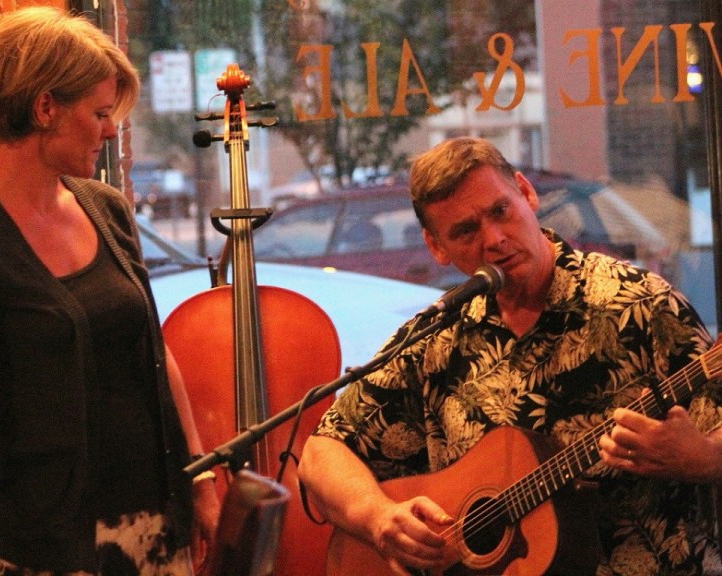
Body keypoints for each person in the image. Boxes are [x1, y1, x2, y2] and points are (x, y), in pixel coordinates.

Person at [298, 136, 722, 575]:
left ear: (526, 192)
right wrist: (378, 518)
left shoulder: (641, 304)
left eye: (500, 211)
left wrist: (704, 458)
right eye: (466, 231)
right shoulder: (437, 339)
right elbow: (321, 452)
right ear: (436, 246)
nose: (495, 239)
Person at [0, 6, 219, 575]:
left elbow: (155, 352)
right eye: (100, 113)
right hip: (48, 540)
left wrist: (200, 478)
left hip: (155, 516)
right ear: (45, 107)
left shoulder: (107, 208)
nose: (111, 130)